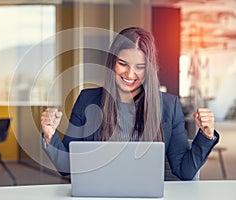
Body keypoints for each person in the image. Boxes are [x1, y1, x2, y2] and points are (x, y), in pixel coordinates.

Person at [40, 27, 219, 180]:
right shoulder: (87, 100)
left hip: (147, 193)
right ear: (112, 63)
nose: (130, 74)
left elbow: (184, 171)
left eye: (139, 67)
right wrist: (50, 135)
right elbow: (67, 167)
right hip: (99, 192)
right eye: (123, 64)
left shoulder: (169, 106)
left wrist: (206, 135)